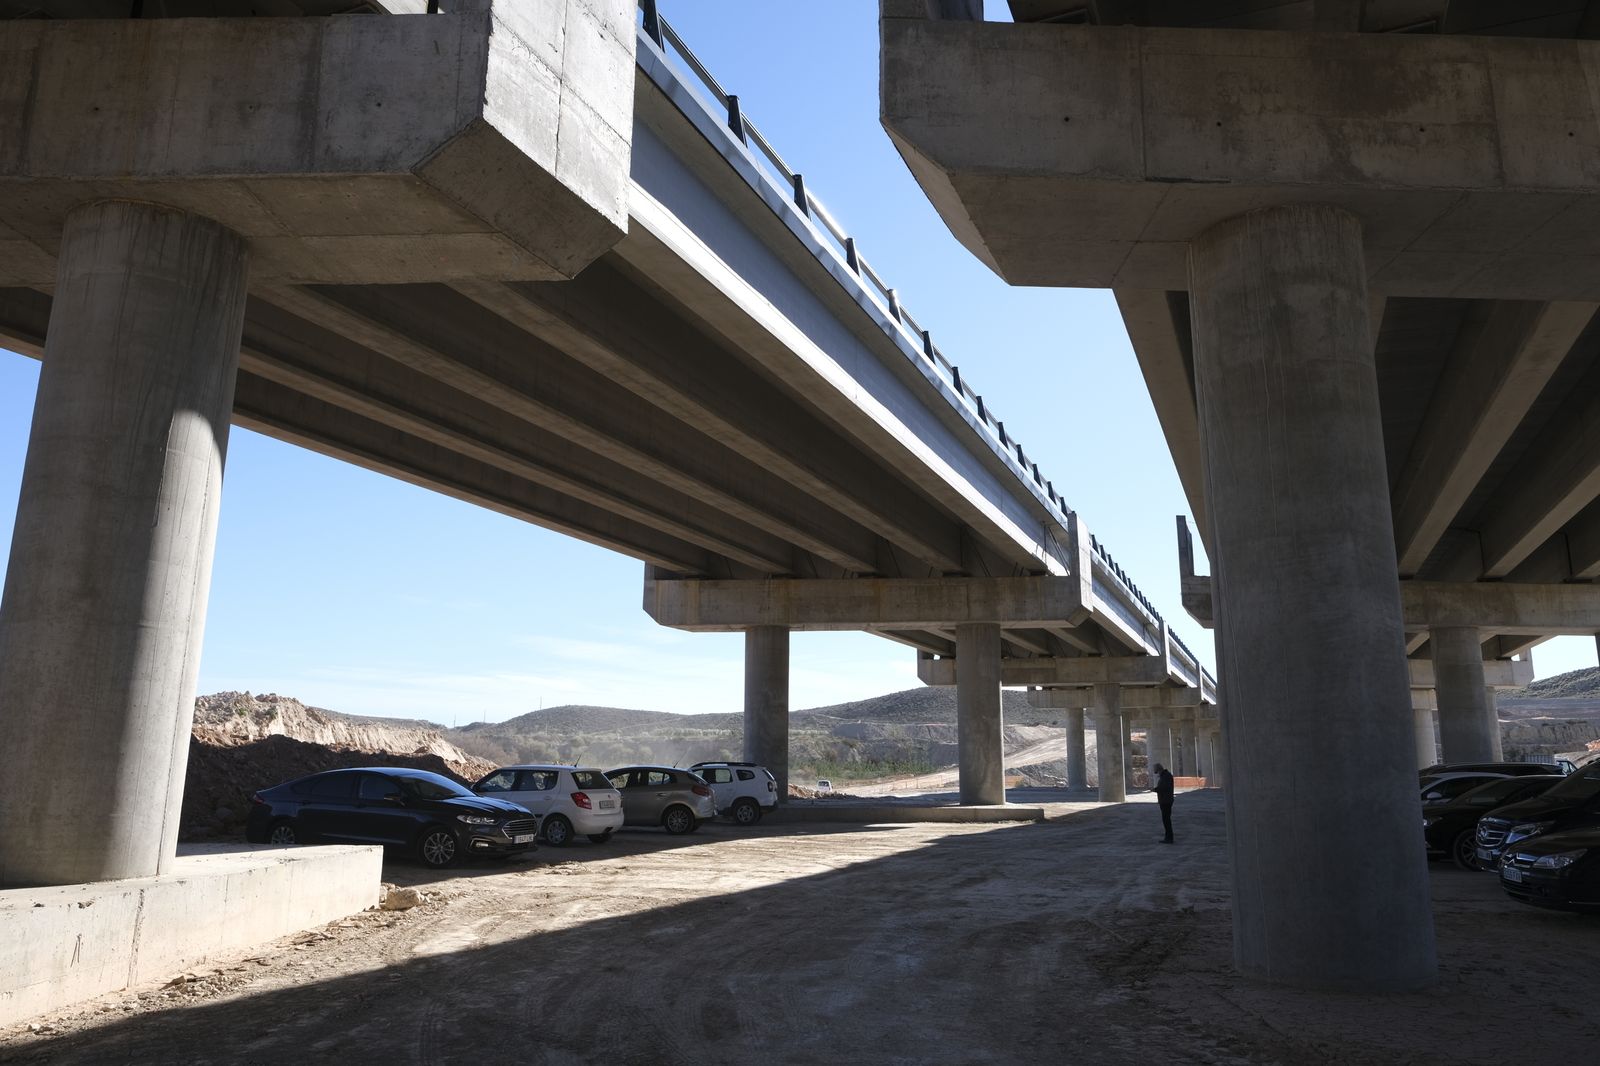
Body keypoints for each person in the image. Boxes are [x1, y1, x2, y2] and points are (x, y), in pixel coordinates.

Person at [1152, 762, 1175, 843]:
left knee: (1166, 820)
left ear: (1158, 769)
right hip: (1165, 800)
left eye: (1155, 769)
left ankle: (1169, 838)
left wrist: (1155, 789)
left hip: (1166, 801)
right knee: (1166, 820)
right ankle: (1168, 837)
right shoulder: (1165, 775)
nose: (1155, 771)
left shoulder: (1166, 776)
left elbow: (1164, 788)